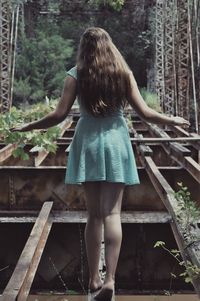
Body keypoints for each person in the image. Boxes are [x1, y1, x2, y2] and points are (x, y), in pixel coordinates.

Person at [10, 27, 189, 301]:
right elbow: (146, 112)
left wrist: (28, 126)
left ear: (84, 48)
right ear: (110, 46)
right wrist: (173, 120)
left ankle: (93, 278)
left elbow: (58, 115)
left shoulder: (76, 74)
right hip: (117, 142)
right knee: (113, 214)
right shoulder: (123, 73)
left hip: (90, 143)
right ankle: (111, 280)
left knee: (94, 215)